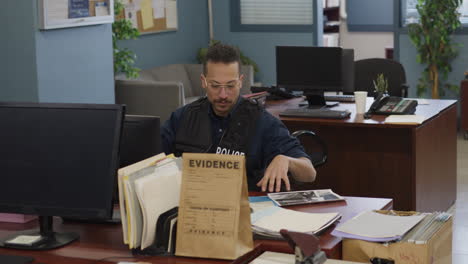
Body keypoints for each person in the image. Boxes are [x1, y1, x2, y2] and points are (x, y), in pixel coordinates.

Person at [161, 43, 316, 192]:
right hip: (192, 205)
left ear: (241, 81)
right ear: (204, 82)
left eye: (230, 86)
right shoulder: (182, 117)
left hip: (247, 209)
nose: (223, 95)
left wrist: (287, 161)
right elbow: (151, 162)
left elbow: (309, 173)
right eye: (215, 86)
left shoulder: (263, 122)